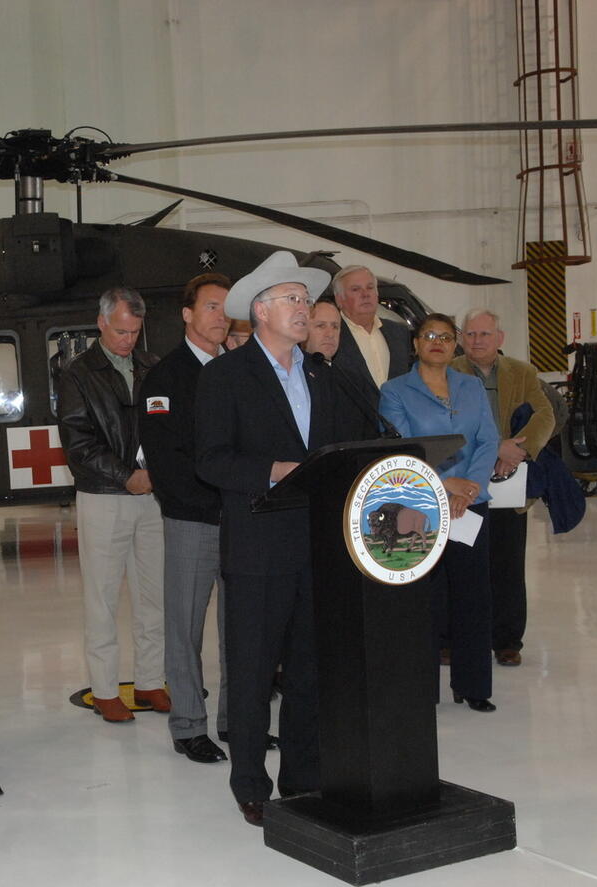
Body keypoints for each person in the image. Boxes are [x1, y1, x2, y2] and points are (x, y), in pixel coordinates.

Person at [195, 251, 341, 826]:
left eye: (306, 300)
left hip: (318, 546)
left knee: (309, 671)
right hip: (258, 547)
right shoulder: (224, 376)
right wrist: (275, 469)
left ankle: (304, 777)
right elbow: (210, 461)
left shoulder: (321, 374)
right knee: (253, 673)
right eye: (293, 300)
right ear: (260, 311)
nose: (305, 309)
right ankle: (251, 783)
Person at [56, 288, 168, 723]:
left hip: (152, 497)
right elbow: (77, 441)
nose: (127, 340)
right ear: (101, 322)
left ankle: (150, 682)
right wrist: (126, 476)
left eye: (135, 332)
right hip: (104, 497)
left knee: (153, 596)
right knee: (101, 598)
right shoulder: (77, 374)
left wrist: (159, 471)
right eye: (121, 330)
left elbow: (166, 425)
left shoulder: (151, 366)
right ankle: (105, 690)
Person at [380, 313, 500, 712]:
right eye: (429, 335)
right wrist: (445, 484)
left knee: (474, 598)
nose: (437, 342)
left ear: (456, 345)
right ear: (415, 343)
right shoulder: (395, 391)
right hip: (421, 506)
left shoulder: (471, 385)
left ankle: (474, 685)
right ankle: (420, 688)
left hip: (470, 505)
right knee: (423, 601)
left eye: (446, 337)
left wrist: (471, 487)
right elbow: (403, 446)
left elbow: (487, 439)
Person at [140, 273, 231, 765]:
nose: (221, 316)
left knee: (242, 628)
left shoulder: (239, 371)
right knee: (185, 629)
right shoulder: (166, 377)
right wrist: (212, 502)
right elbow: (166, 461)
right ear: (188, 315)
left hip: (241, 520)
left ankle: (237, 720)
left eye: (226, 308)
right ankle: (189, 726)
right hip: (193, 521)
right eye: (211, 307)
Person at [453, 307, 555, 667]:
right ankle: (457, 639)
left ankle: (508, 640)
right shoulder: (449, 373)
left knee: (508, 564)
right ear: (461, 338)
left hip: (510, 482)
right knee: (462, 563)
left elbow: (545, 414)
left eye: (484, 334)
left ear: (500, 339)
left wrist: (519, 449)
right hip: (464, 480)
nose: (477, 341)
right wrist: (495, 447)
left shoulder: (523, 373)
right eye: (470, 334)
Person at [329, 265, 412, 405]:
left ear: (377, 293)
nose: (365, 294)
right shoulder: (331, 335)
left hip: (396, 423)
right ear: (339, 300)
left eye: (370, 287)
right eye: (356, 289)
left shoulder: (399, 332)